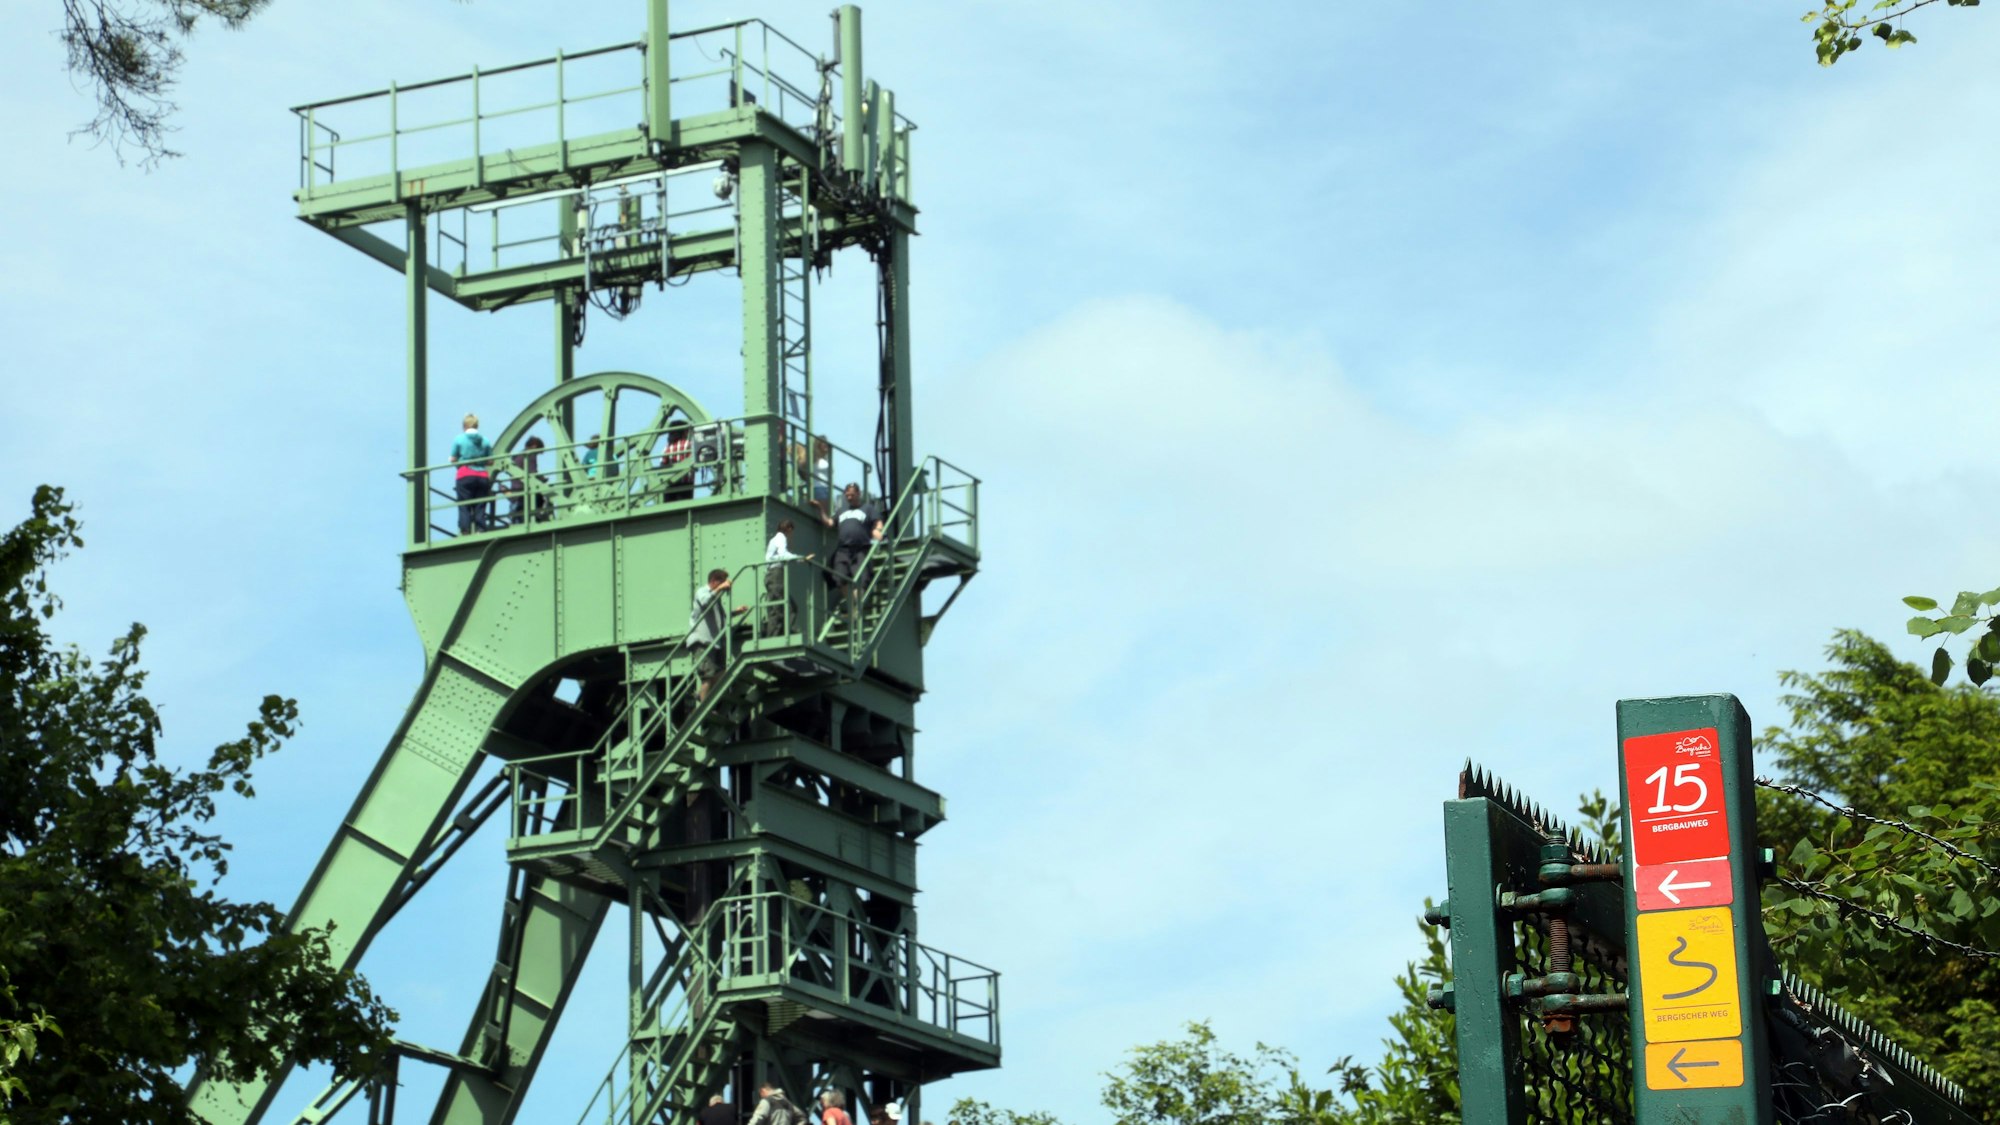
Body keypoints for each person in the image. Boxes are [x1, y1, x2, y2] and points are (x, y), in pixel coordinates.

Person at [689, 568, 750, 702]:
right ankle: (705, 707)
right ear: (714, 581)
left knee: (722, 673)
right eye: (721, 582)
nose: (724, 586)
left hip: (714, 642)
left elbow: (722, 616)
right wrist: (720, 588)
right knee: (708, 676)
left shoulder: (716, 598)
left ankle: (701, 695)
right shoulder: (703, 591)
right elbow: (705, 601)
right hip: (702, 641)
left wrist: (736, 612)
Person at [822, 483, 884, 599]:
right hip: (843, 550)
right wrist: (820, 509)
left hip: (861, 548)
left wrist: (877, 530)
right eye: (847, 495)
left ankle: (857, 604)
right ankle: (853, 605)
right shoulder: (841, 511)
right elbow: (830, 523)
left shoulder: (867, 508)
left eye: (852, 494)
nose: (849, 497)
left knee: (862, 577)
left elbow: (878, 521)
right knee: (839, 577)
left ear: (858, 494)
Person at [764, 519, 813, 637]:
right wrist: (803, 558)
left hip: (773, 574)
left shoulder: (774, 539)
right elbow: (783, 555)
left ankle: (783, 633)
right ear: (789, 529)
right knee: (778, 608)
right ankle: (774, 638)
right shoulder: (781, 538)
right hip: (776, 574)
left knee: (791, 608)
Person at [451, 413, 494, 534]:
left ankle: (465, 529)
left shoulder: (459, 439)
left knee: (464, 504)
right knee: (480, 504)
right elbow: (491, 461)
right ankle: (481, 528)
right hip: (482, 476)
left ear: (464, 426)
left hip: (464, 474)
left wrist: (458, 461)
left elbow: (453, 458)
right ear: (477, 426)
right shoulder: (485, 440)